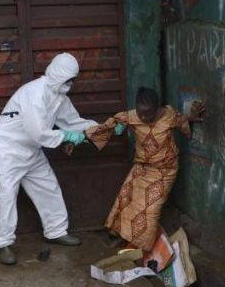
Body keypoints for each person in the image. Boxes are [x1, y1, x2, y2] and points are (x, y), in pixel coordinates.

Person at [0, 52, 96, 265]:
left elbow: (73, 122)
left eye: (73, 79)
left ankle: (56, 231)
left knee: (48, 187)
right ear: (58, 74)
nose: (71, 83)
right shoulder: (35, 93)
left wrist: (101, 128)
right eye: (68, 79)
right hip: (8, 147)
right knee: (7, 193)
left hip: (31, 149)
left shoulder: (59, 97)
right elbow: (38, 132)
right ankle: (3, 243)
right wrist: (65, 136)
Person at [85, 87, 205, 251]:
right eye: (140, 113)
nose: (143, 117)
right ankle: (122, 236)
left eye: (147, 114)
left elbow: (182, 120)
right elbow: (109, 125)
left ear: (157, 109)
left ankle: (137, 247)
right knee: (126, 199)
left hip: (165, 171)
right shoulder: (131, 117)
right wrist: (82, 139)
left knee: (150, 210)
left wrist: (191, 117)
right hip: (142, 167)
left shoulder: (168, 116)